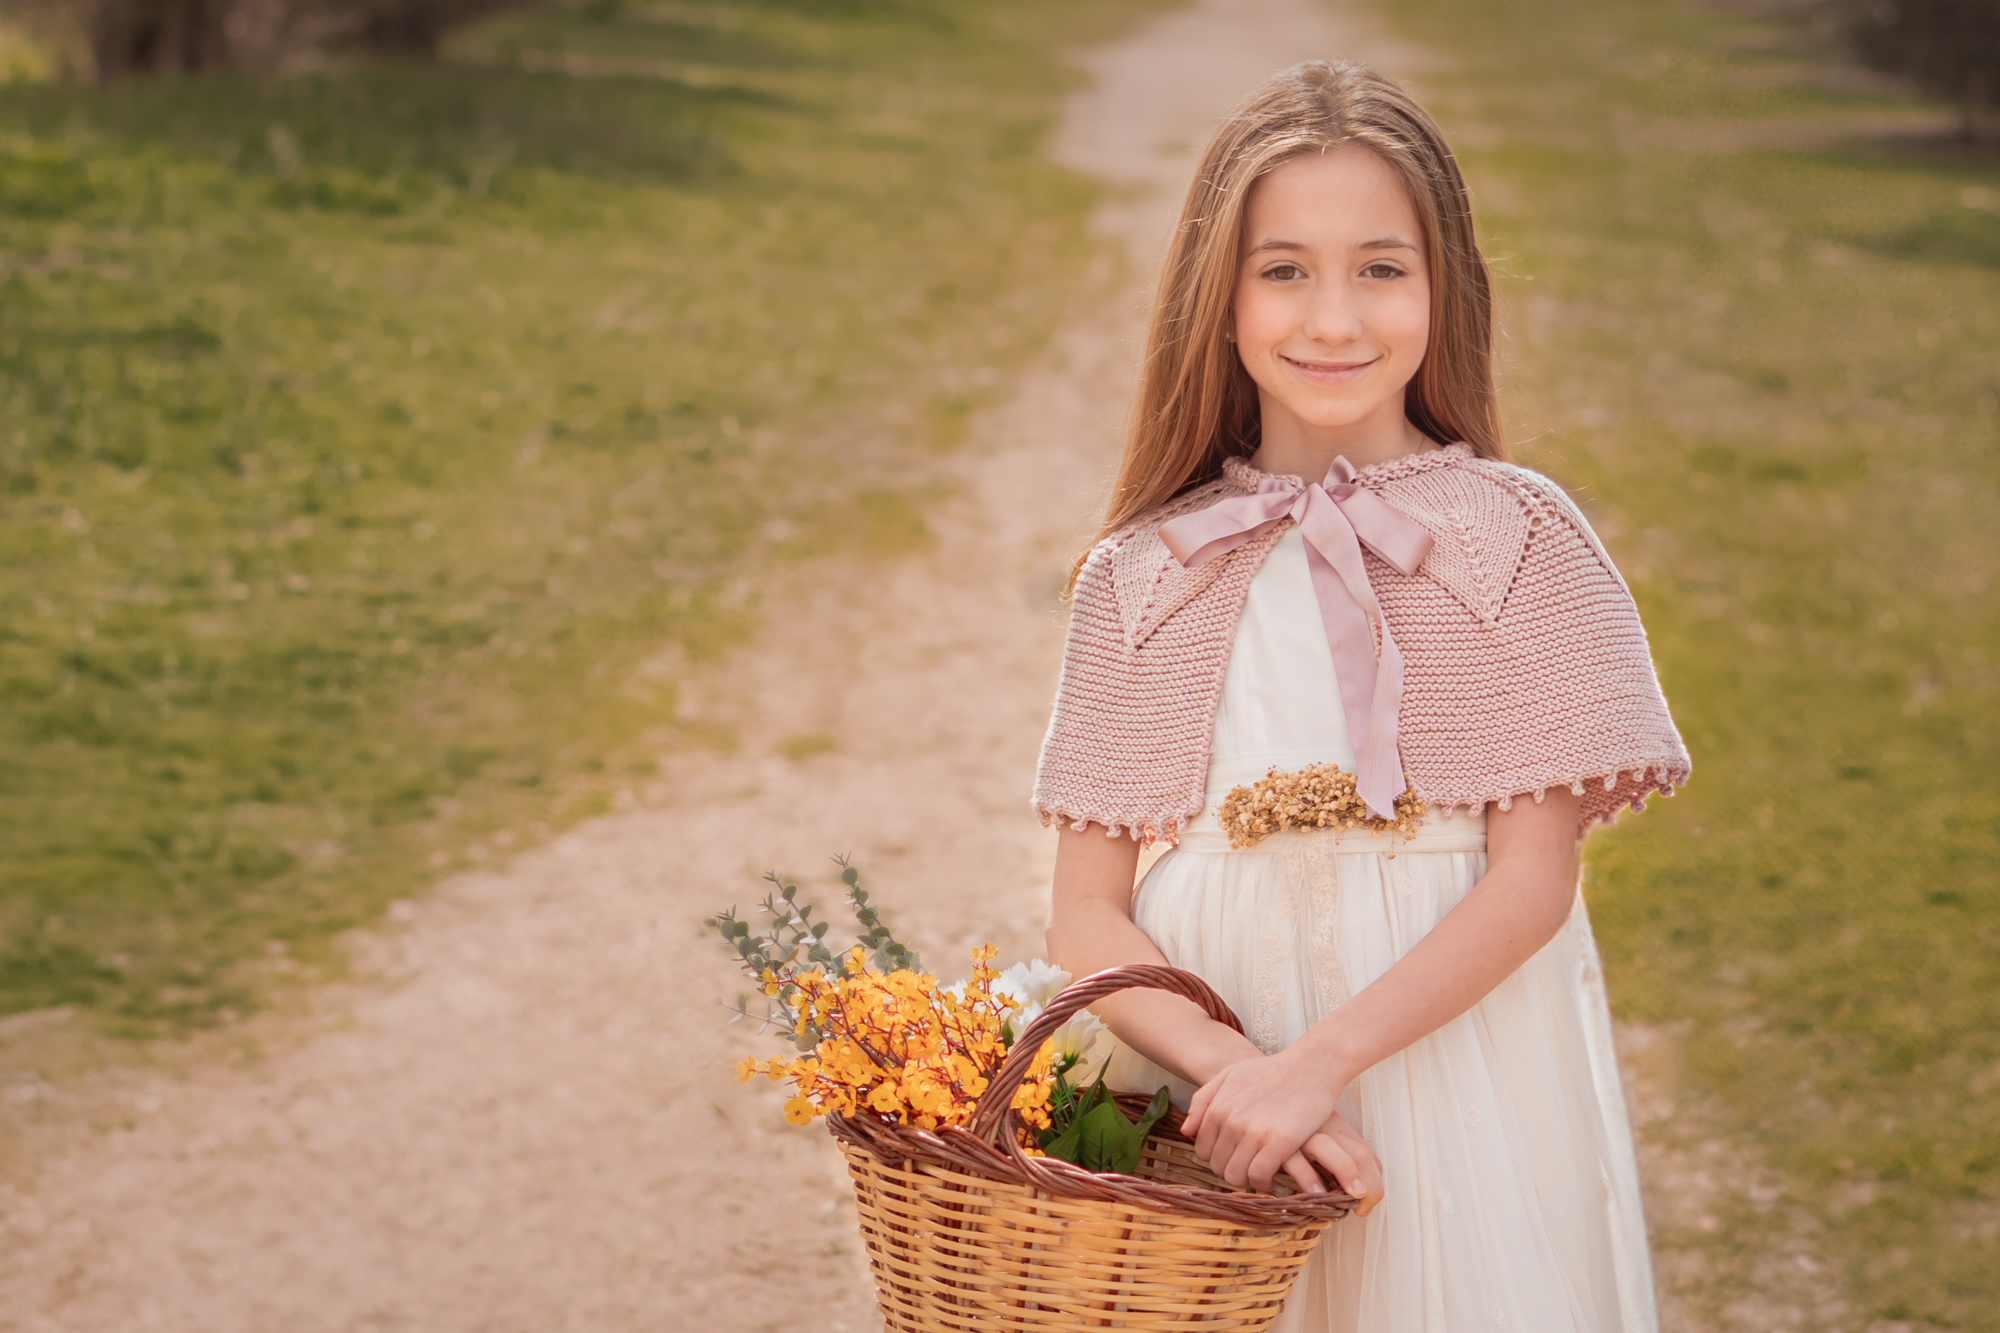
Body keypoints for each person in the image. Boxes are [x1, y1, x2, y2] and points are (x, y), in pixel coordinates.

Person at [1035, 60, 1688, 1333]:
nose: (1331, 318)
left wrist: (1322, 1065)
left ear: (1443, 290)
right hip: (1206, 1050)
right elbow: (1084, 910)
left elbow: (1529, 879)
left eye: (1379, 268)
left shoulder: (1512, 536)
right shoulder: (1143, 569)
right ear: (1214, 299)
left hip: (1450, 1054)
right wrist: (1241, 1079)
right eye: (1283, 269)